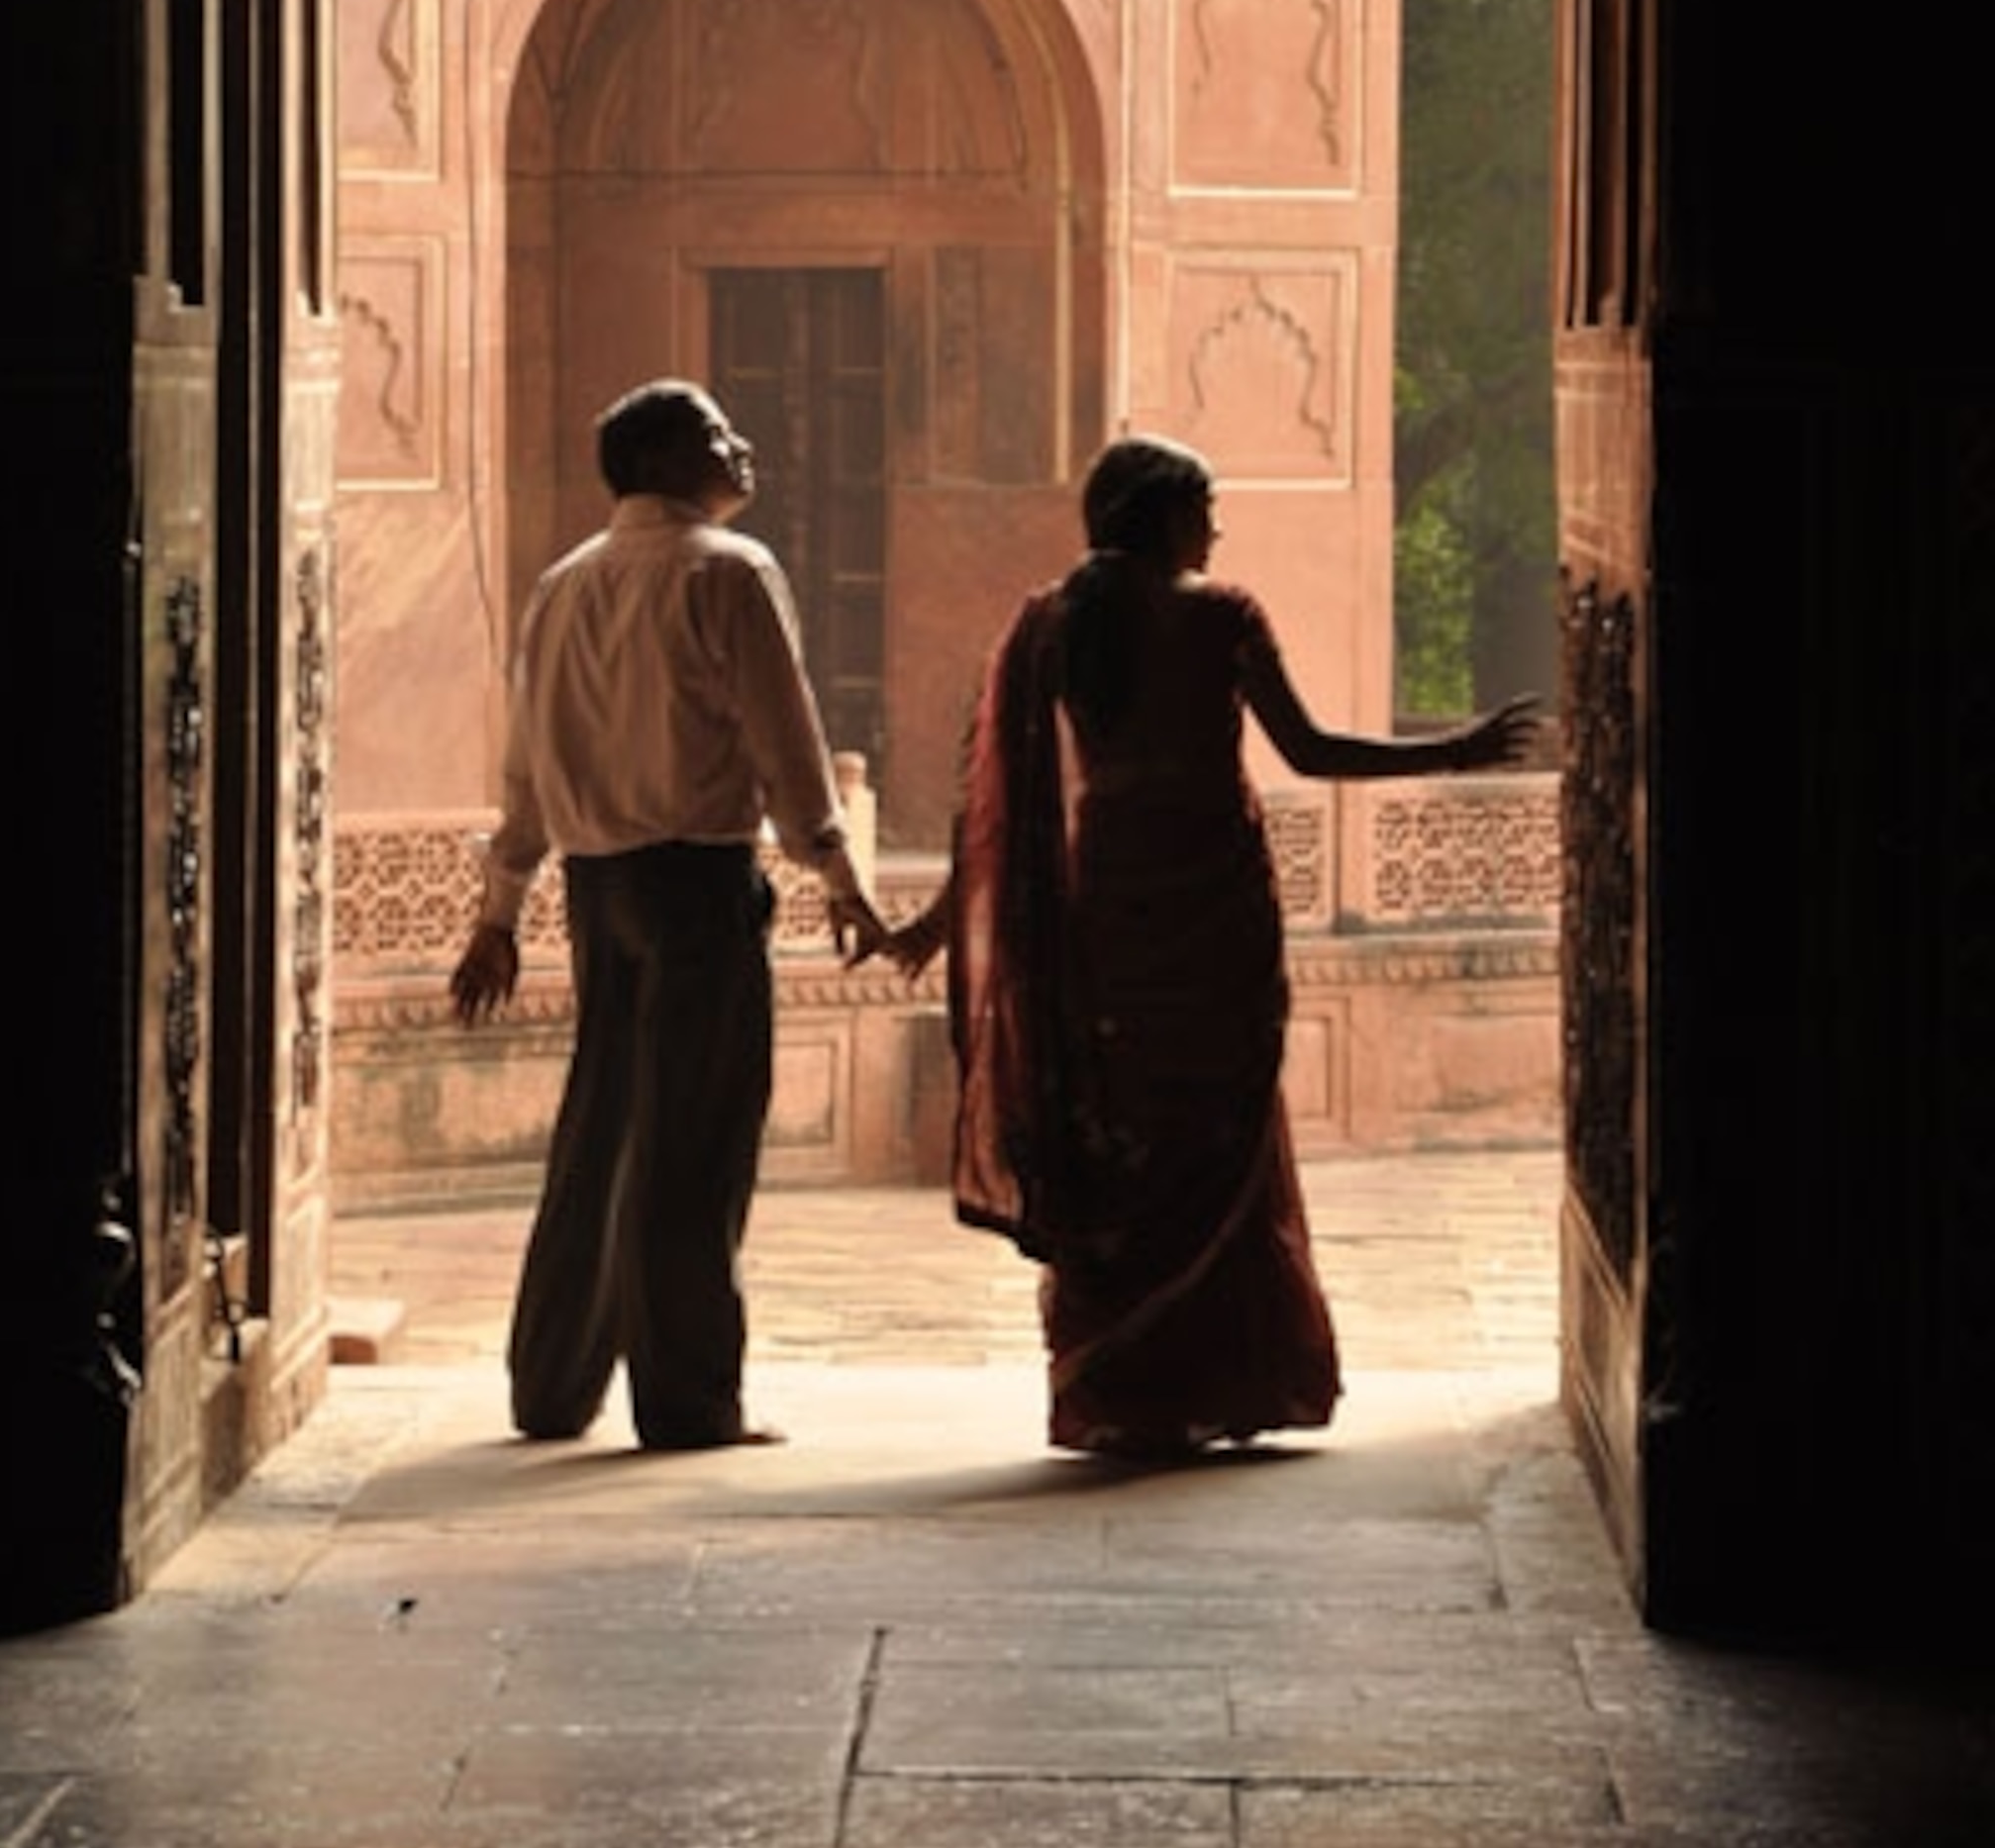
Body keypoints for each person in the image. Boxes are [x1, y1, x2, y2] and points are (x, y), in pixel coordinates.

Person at [890, 434, 1540, 1461]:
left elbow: (998, 807)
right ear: (1165, 517)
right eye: (1206, 507)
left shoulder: (1051, 625)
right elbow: (1312, 750)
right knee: (1218, 1124)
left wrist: (941, 919)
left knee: (1127, 1121)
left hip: (1111, 903)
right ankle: (1225, 1375)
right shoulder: (1219, 616)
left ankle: (1127, 1381)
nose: (1217, 528)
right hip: (1212, 904)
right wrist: (1456, 749)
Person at [449, 378, 889, 1451]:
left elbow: (526, 770)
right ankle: (689, 1403)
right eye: (716, 435)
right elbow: (784, 738)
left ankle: (551, 1387)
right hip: (696, 880)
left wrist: (499, 912)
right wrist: (837, 874)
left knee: (602, 1130)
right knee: (693, 1143)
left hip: (599, 891)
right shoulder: (730, 571)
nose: (744, 446)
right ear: (662, 461)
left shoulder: (563, 585)